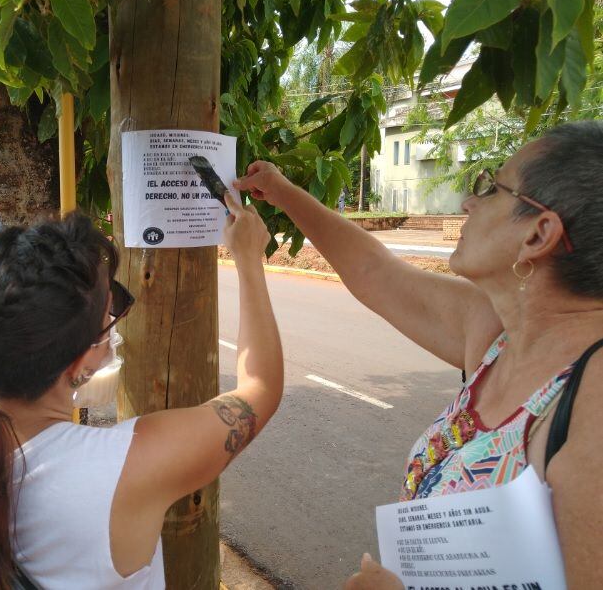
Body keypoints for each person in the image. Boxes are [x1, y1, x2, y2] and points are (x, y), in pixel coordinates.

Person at [233, 120, 603, 589]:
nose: (469, 202)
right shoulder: (495, 332)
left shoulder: (592, 400)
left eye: (491, 189)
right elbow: (374, 270)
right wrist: (281, 192)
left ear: (538, 234)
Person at [0, 200, 282, 589]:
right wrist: (249, 258)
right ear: (80, 361)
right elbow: (260, 387)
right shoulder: (129, 468)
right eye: (110, 314)